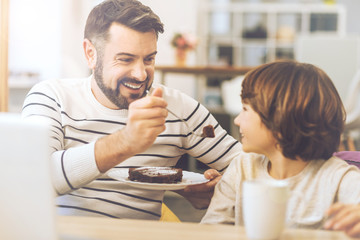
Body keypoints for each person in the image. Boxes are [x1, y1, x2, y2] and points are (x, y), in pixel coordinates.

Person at [21, 0, 241, 220]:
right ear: (90, 53)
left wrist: (221, 189)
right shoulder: (51, 97)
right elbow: (33, 179)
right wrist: (125, 141)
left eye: (149, 59)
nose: (141, 75)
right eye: (125, 59)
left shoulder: (177, 109)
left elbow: (252, 165)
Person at [200, 60, 360, 238]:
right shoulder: (242, 167)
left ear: (279, 119)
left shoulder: (338, 177)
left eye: (245, 109)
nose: (237, 120)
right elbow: (211, 229)